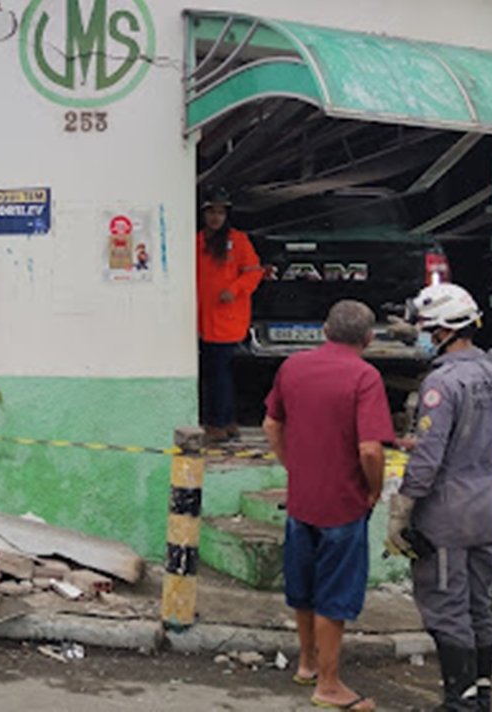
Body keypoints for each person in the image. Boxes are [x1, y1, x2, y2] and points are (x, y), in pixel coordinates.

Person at [385, 283, 492, 711]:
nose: (422, 336)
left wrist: (402, 509)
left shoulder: (442, 383)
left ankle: (460, 702)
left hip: (446, 512)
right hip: (486, 506)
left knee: (446, 606)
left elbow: (428, 457)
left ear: (442, 330)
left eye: (424, 329)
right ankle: (481, 695)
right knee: (480, 606)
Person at [263, 300, 393, 711]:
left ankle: (307, 663)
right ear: (369, 338)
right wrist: (374, 490)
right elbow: (371, 450)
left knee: (303, 588)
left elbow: (270, 424)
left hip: (302, 499)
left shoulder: (294, 367)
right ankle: (330, 685)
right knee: (334, 596)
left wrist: (293, 466)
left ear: (324, 329)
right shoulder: (365, 377)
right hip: (343, 502)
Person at [196, 188, 262, 441]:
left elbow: (253, 272)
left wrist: (234, 290)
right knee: (216, 371)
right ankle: (226, 420)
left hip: (227, 318)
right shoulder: (197, 241)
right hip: (203, 319)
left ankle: (218, 423)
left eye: (220, 212)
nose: (216, 217)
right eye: (211, 211)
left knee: (217, 371)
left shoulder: (239, 241)